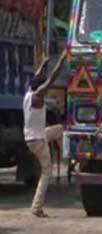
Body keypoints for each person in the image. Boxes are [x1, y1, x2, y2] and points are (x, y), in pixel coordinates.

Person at [24, 50, 68, 218]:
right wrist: (61, 60)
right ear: (40, 88)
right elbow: (51, 79)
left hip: (34, 136)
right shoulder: (38, 95)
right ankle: (37, 207)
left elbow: (38, 77)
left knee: (59, 130)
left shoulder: (28, 93)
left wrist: (43, 64)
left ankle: (66, 154)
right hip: (38, 141)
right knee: (46, 172)